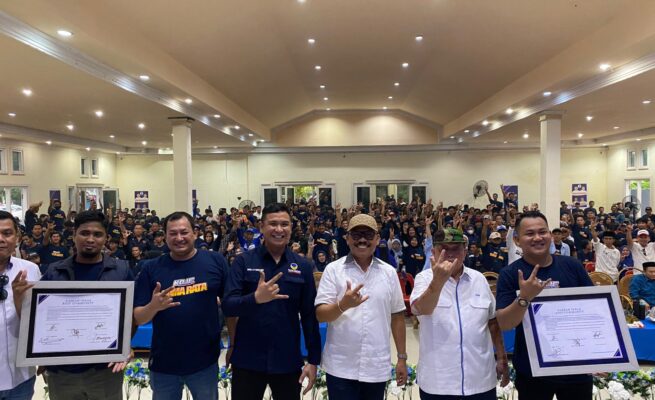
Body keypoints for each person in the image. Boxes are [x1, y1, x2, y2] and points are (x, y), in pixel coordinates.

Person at [222, 203, 321, 399]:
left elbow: (309, 316)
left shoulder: (302, 266)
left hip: (287, 360)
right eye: (273, 224)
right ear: (261, 227)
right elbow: (228, 305)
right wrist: (255, 298)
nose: (279, 229)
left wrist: (313, 360)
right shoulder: (243, 262)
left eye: (284, 224)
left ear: (291, 228)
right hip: (248, 359)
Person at [496, 211, 594, 400]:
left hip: (575, 366)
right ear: (517, 240)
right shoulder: (510, 274)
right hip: (532, 368)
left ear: (550, 235)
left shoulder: (572, 266)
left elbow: (593, 308)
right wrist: (524, 298)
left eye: (542, 232)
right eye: (529, 233)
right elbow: (505, 323)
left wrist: (599, 356)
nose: (537, 238)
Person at [133, 211, 228, 400]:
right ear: (165, 236)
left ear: (195, 233)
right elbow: (138, 318)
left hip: (205, 362)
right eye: (173, 233)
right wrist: (153, 306)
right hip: (164, 363)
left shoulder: (215, 261)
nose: (179, 238)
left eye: (184, 232)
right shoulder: (151, 268)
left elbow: (231, 304)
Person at [40, 210, 133, 400]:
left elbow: (131, 314)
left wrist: (125, 345)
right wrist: (39, 351)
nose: (90, 239)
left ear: (106, 238)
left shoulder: (121, 271)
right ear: (74, 235)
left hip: (105, 369)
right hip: (62, 371)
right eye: (84, 233)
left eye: (97, 234)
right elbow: (40, 316)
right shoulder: (54, 272)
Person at [315, 213, 407, 400]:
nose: (362, 240)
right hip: (341, 367)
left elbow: (397, 317)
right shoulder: (333, 270)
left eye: (368, 234)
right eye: (356, 235)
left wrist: (401, 358)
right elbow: (320, 315)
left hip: (376, 365)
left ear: (377, 239)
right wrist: (343, 305)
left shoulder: (389, 273)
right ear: (347, 238)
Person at [410, 228, 509, 399]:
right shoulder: (424, 279)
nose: (449, 254)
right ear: (434, 252)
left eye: (455, 248)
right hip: (439, 383)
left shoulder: (479, 279)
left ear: (464, 251)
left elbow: (492, 322)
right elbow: (421, 309)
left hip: (480, 380)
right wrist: (437, 282)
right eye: (443, 248)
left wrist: (501, 357)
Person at [0, 211, 41, 399]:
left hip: (21, 377)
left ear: (17, 237)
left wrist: (20, 301)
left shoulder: (30, 270)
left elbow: (39, 322)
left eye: (7, 233)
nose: (1, 239)